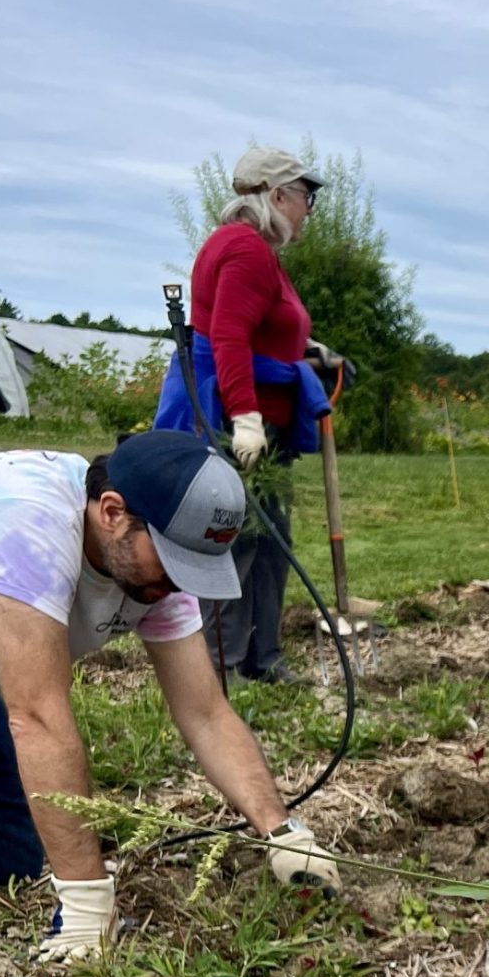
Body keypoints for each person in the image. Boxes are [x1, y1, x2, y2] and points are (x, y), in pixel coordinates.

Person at [0, 430, 341, 961]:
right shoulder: (29, 526)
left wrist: (283, 831)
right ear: (112, 512)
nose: (181, 583)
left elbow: (205, 713)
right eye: (174, 560)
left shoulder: (154, 571)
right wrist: (87, 903)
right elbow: (38, 716)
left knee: (9, 857)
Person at [155, 145, 339, 683]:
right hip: (240, 422)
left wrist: (310, 352)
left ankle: (264, 656)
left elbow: (260, 327)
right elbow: (230, 338)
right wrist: (247, 420)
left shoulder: (254, 250)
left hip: (262, 419)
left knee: (270, 544)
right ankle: (224, 665)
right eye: (305, 198)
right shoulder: (244, 250)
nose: (308, 210)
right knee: (236, 541)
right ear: (277, 196)